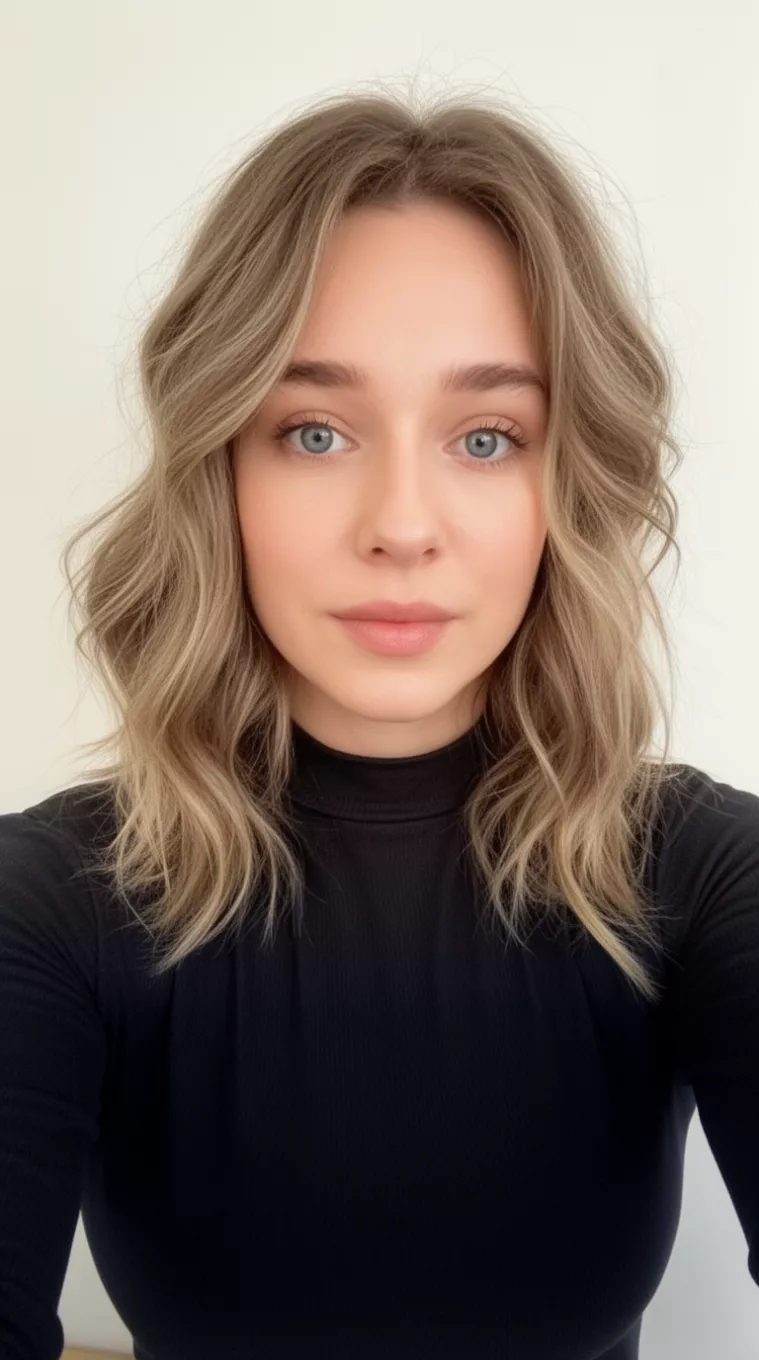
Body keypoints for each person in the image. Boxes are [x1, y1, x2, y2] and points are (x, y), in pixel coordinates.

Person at [1, 87, 758, 1360]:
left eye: (484, 435)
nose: (402, 525)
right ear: (219, 469)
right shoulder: (51, 902)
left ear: (567, 478)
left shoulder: (705, 871)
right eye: (312, 430)